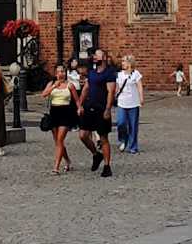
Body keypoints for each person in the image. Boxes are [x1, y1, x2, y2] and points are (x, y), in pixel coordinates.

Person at [76, 47, 117, 176]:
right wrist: (80, 104)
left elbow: (111, 92)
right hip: (89, 107)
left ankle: (107, 166)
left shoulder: (109, 73)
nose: (94, 57)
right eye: (94, 55)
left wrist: (108, 109)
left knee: (103, 137)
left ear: (104, 58)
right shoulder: (92, 72)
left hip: (101, 108)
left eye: (97, 55)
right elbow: (86, 89)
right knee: (83, 135)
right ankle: (96, 154)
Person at [42, 62, 79, 174]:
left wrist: (79, 108)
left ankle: (56, 167)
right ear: (55, 74)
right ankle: (67, 161)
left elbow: (77, 100)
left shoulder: (70, 85)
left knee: (60, 140)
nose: (60, 74)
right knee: (58, 142)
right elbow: (44, 94)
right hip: (54, 112)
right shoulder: (51, 83)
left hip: (65, 113)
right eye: (58, 72)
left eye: (62, 71)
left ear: (65, 73)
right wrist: (54, 86)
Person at [115, 53, 144, 152]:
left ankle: (133, 146)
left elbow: (139, 86)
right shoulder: (119, 74)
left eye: (124, 61)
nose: (122, 63)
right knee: (121, 123)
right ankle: (123, 139)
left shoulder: (136, 74)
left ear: (129, 63)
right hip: (122, 102)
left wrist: (141, 98)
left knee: (133, 125)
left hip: (133, 102)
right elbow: (117, 88)